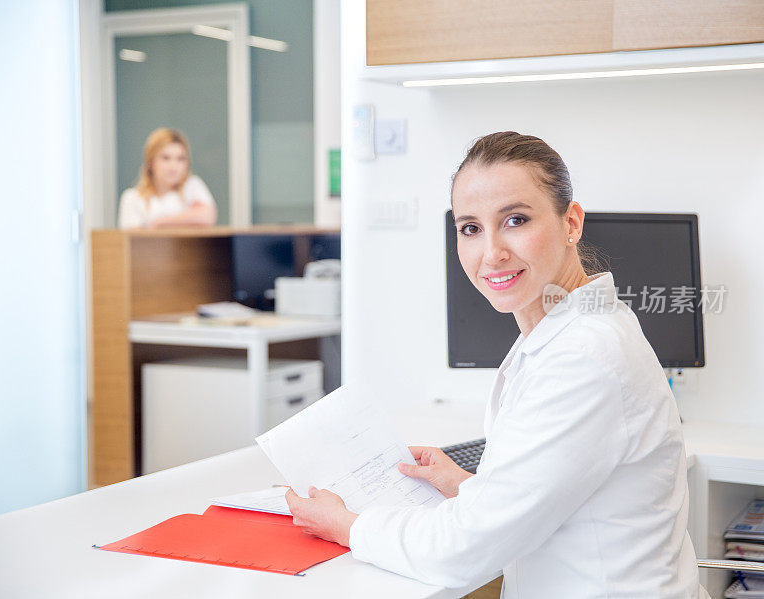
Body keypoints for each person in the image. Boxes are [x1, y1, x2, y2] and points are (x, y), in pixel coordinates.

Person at [285, 132, 707, 598]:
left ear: (572, 222)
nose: (491, 253)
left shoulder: (583, 356)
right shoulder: (567, 330)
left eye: (516, 220)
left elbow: (461, 550)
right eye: (470, 228)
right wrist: (469, 486)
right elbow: (557, 493)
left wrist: (348, 526)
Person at [117, 128, 217, 229]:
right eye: (166, 158)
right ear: (151, 162)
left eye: (180, 159)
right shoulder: (132, 198)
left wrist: (160, 222)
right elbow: (131, 239)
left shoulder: (192, 186)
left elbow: (207, 216)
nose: (173, 166)